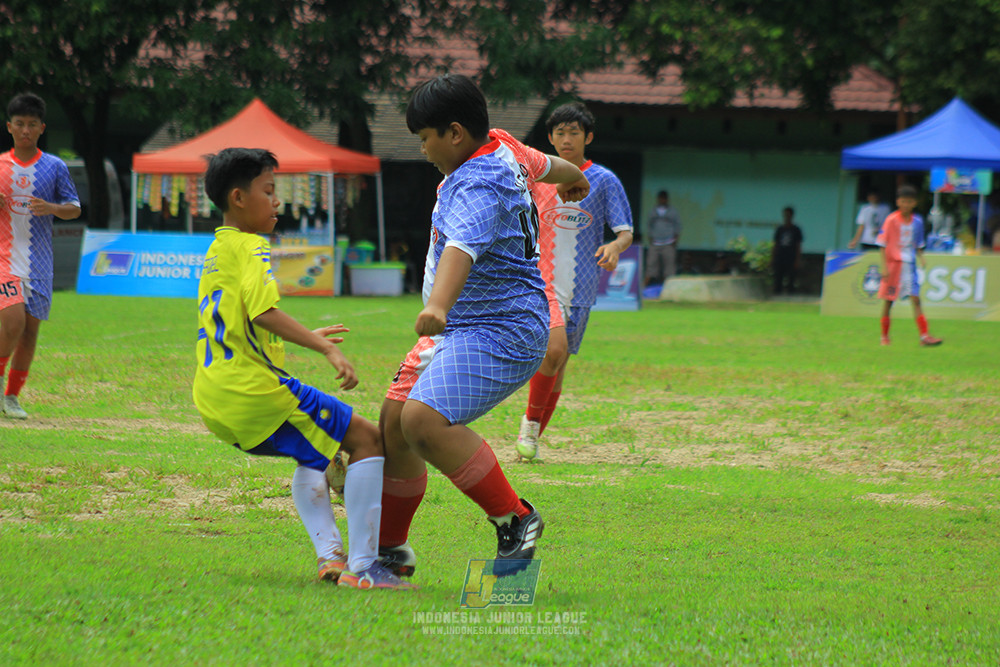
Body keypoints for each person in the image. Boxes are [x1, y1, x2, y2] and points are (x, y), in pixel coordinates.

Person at [375, 74, 591, 580]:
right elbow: (547, 163)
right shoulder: (504, 146)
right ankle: (390, 550)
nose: (422, 150)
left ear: (454, 133)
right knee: (394, 423)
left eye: (424, 138)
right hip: (464, 326)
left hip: (500, 328)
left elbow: (461, 248)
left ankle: (515, 518)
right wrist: (572, 175)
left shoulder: (478, 181)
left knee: (422, 421)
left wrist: (438, 306)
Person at [192, 148, 413, 590]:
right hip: (252, 393)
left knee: (317, 452)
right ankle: (365, 567)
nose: (277, 201)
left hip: (214, 398)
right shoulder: (251, 245)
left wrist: (305, 334)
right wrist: (323, 347)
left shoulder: (218, 248)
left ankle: (331, 556)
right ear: (238, 198)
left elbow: (239, 323)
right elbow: (263, 312)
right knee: (367, 439)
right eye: (268, 191)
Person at [515, 101, 634, 462]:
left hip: (581, 287)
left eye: (574, 133)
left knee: (559, 365)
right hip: (542, 281)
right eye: (560, 133)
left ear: (588, 137)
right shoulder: (537, 177)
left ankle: (531, 439)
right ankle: (529, 428)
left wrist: (614, 247)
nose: (567, 139)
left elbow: (625, 231)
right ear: (551, 138)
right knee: (552, 352)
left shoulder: (604, 180)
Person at [0, 93, 81, 420]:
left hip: (39, 264)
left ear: (42, 128)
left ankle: (12, 398)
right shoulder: (0, 165)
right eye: (19, 124)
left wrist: (51, 208)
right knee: (13, 322)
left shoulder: (54, 167)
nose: (25, 130)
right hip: (4, 259)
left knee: (30, 333)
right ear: (9, 126)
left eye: (32, 124)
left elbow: (74, 208)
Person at [877, 184, 942, 347]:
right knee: (889, 301)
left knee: (916, 299)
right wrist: (884, 267)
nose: (906, 204)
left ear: (914, 203)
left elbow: (918, 243)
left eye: (909, 201)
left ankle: (924, 336)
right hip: (894, 266)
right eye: (903, 201)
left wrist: (921, 257)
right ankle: (884, 336)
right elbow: (882, 244)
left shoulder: (917, 222)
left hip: (909, 266)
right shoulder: (891, 220)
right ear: (898, 202)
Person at [644, 189, 681, 287]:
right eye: (661, 198)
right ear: (658, 199)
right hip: (655, 243)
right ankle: (643, 289)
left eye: (664, 198)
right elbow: (649, 225)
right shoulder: (653, 211)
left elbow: (678, 226)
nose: (662, 200)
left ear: (667, 199)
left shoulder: (673, 211)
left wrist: (675, 240)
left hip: (668, 243)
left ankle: (668, 289)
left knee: (669, 269)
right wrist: (650, 238)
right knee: (651, 267)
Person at [771, 206, 803, 295]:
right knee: (778, 278)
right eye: (785, 215)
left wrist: (797, 260)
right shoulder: (780, 229)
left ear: (792, 216)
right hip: (780, 257)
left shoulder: (796, 230)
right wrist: (773, 258)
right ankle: (777, 295)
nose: (786, 217)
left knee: (791, 279)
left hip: (791, 257)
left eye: (788, 215)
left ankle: (790, 296)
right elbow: (775, 244)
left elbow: (798, 246)